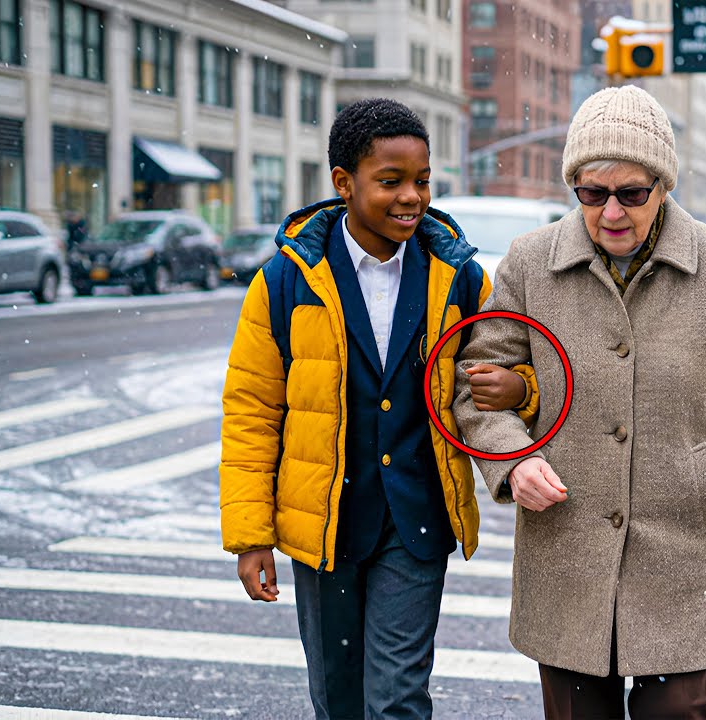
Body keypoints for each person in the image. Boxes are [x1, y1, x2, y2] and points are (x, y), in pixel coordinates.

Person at [452, 85, 706, 719]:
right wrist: (510, 460)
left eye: (631, 194)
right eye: (592, 192)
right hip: (567, 553)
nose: (611, 211)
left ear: (662, 186)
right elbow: (476, 386)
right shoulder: (530, 263)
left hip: (684, 549)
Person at [219, 98, 535, 719]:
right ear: (344, 183)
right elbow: (252, 411)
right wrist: (250, 538)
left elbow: (513, 367)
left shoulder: (462, 279)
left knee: (396, 700)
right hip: (324, 523)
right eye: (390, 182)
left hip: (416, 521)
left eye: (421, 181)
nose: (410, 198)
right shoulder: (286, 282)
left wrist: (518, 387)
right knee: (337, 698)